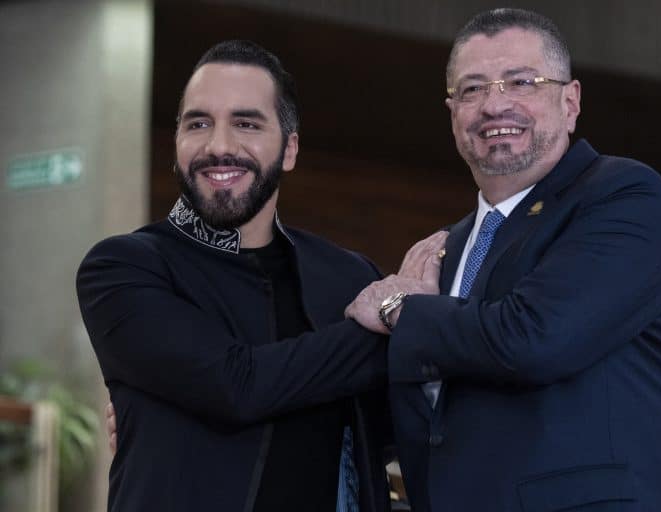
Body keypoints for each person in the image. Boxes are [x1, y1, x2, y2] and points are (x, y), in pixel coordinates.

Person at [346, 8, 661, 511]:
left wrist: (398, 308)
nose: (495, 105)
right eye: (472, 89)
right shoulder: (443, 252)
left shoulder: (621, 195)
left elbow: (534, 336)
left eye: (521, 82)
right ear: (452, 114)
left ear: (570, 101)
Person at [77, 40, 433, 512]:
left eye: (246, 124)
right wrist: (392, 321)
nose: (219, 146)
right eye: (198, 123)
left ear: (289, 149)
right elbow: (235, 385)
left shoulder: (347, 274)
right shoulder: (122, 267)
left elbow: (389, 429)